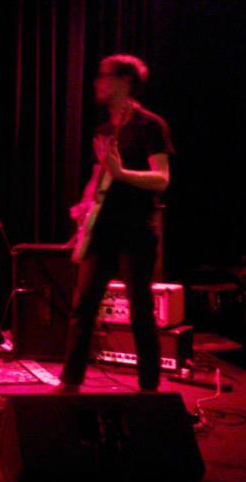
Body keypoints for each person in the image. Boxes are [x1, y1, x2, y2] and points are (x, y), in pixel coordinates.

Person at [60, 54, 174, 392]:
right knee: (83, 308)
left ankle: (149, 388)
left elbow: (162, 178)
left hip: (136, 229)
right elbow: (99, 176)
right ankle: (70, 382)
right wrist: (84, 206)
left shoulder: (150, 125)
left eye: (105, 76)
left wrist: (122, 173)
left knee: (140, 311)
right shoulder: (105, 130)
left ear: (125, 81)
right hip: (102, 231)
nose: (98, 82)